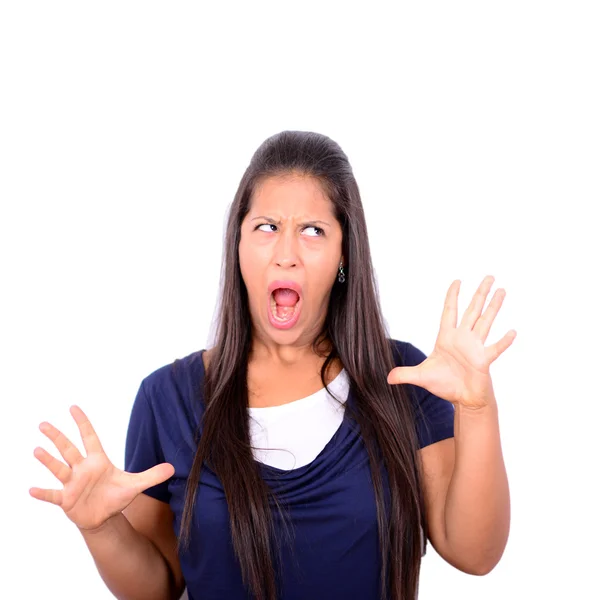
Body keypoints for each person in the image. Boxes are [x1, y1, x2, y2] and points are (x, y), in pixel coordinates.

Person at [30, 130, 515, 600]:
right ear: (238, 245)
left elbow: (475, 553)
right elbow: (157, 587)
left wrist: (476, 409)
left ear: (344, 253)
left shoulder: (404, 378)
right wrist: (100, 528)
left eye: (313, 231)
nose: (286, 254)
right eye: (266, 227)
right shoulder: (167, 398)